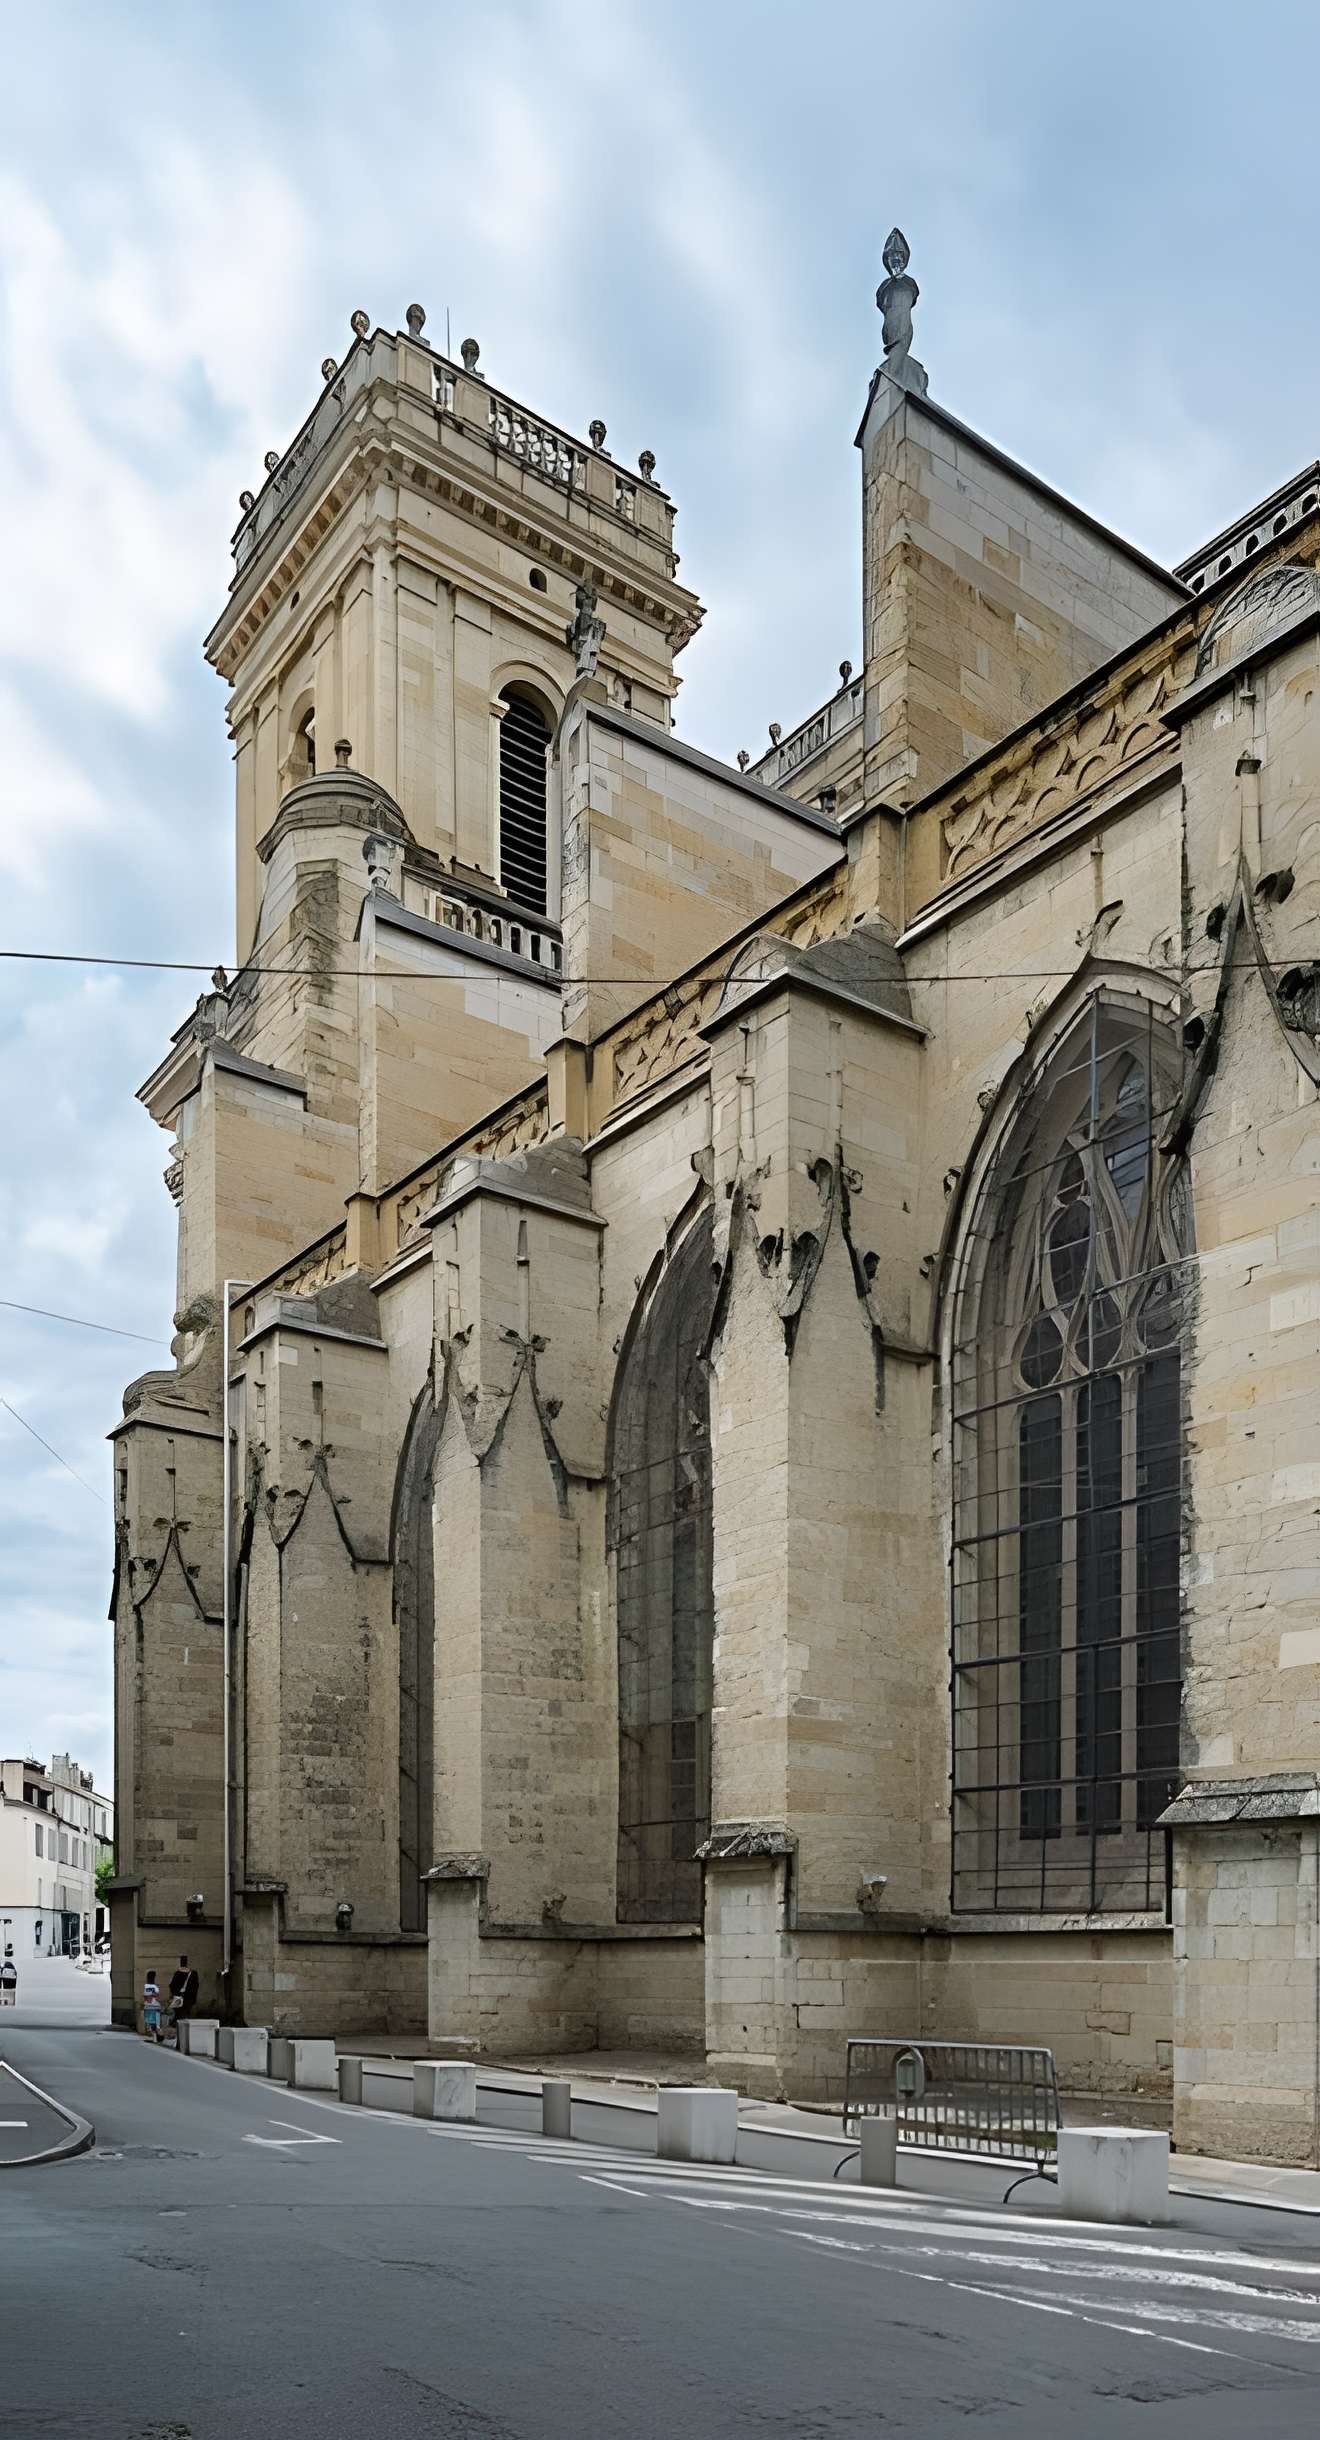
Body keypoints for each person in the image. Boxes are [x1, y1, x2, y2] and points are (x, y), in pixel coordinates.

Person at [167, 1955, 199, 2041]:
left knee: (177, 2017)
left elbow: (172, 1986)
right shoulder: (193, 1974)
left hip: (178, 1999)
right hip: (188, 2000)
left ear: (181, 1963)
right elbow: (195, 1987)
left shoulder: (177, 1973)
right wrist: (193, 2000)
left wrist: (173, 1995)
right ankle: (183, 2037)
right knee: (185, 2018)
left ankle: (176, 2036)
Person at [142, 1970, 163, 2042]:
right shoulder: (156, 1986)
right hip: (156, 2006)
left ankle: (153, 2038)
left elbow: (145, 1996)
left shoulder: (146, 1986)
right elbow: (157, 1996)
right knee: (157, 2023)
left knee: (149, 2022)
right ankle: (157, 2038)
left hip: (148, 2006)